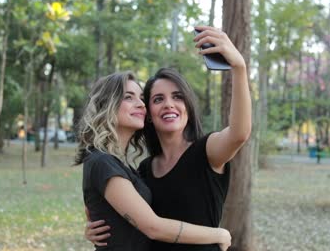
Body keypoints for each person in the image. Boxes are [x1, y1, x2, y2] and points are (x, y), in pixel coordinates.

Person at [86, 26, 252, 251]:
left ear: (188, 108)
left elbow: (239, 133)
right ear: (149, 115)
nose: (169, 104)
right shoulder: (144, 169)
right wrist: (93, 227)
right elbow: (134, 218)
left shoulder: (207, 151)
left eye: (177, 97)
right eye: (157, 99)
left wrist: (239, 68)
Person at [76, 71, 232, 251]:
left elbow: (93, 211)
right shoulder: (101, 161)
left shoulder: (124, 166)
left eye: (142, 98)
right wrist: (218, 234)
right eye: (129, 97)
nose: (141, 105)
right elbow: (153, 227)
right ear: (107, 105)